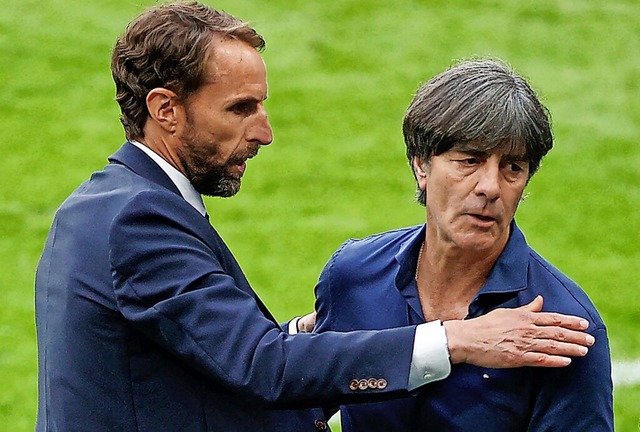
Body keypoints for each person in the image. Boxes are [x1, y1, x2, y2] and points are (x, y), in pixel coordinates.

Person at [34, 3, 596, 431]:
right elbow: (261, 368)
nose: (265, 132)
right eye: (241, 108)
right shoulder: (138, 221)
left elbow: (219, 361)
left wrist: (314, 332)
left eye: (514, 167)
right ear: (165, 110)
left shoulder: (102, 206)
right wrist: (455, 340)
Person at [314, 59, 613, 431]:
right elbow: (302, 399)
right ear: (421, 165)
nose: (490, 187)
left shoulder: (563, 327)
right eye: (469, 160)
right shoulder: (353, 275)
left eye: (512, 168)